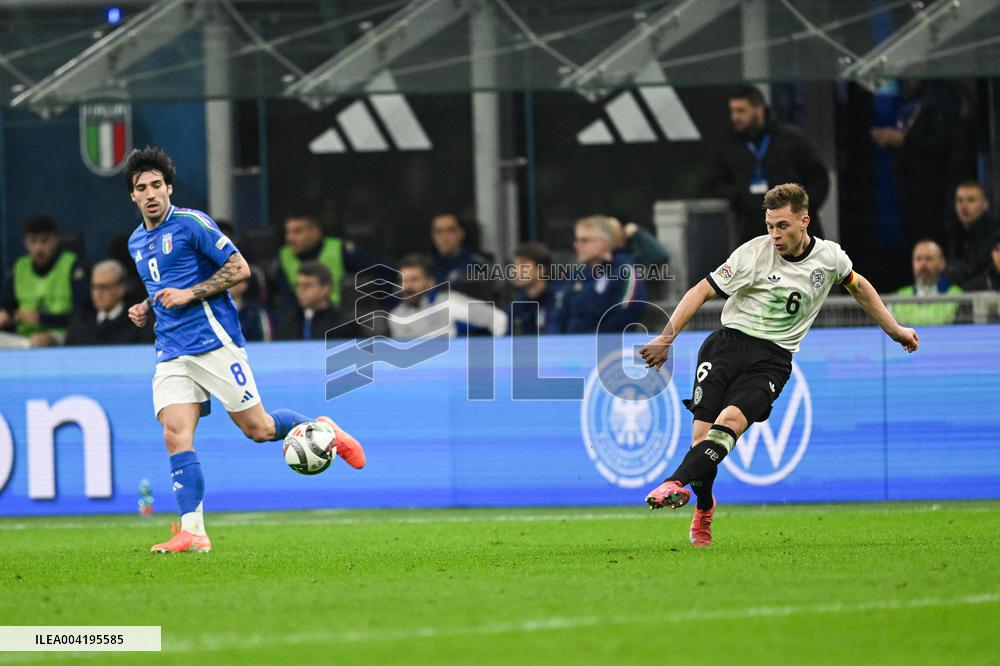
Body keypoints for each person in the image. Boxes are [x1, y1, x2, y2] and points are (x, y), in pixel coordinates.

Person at [639, 183, 919, 547]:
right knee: (700, 439)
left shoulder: (829, 258)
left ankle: (674, 482)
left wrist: (895, 329)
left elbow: (859, 285)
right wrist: (666, 338)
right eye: (770, 225)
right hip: (725, 347)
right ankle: (704, 507)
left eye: (783, 226)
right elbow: (700, 291)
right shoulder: (752, 254)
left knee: (729, 425)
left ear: (804, 221)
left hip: (771, 361)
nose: (775, 234)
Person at [121, 146, 366, 554]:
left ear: (169, 188)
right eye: (141, 187)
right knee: (174, 434)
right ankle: (193, 532)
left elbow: (239, 269)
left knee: (260, 430)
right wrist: (146, 306)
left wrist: (189, 294)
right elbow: (159, 285)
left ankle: (325, 430)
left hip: (214, 342)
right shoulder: (135, 242)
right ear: (132, 195)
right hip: (171, 351)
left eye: (157, 185)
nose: (150, 194)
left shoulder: (191, 223)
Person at [709, 86, 829, 245]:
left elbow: (819, 179)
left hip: (797, 231)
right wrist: (742, 198)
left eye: (740, 111)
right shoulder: (729, 145)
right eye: (733, 111)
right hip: (753, 232)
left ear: (758, 109)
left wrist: (802, 209)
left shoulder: (791, 138)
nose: (734, 117)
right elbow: (717, 183)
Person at [871, 79, 963, 250]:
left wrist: (904, 140)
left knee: (928, 235)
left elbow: (943, 142)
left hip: (930, 190)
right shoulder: (916, 100)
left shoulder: (939, 99)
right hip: (910, 188)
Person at [0, 215, 88, 348]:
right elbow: (9, 307)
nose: (38, 248)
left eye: (44, 241)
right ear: (25, 243)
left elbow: (81, 316)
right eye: (32, 241)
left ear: (55, 240)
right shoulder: (18, 267)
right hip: (22, 338)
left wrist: (41, 318)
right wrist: (5, 315)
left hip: (61, 334)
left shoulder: (73, 266)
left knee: (38, 343)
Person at [548, 216, 646, 334]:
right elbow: (558, 312)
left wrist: (594, 339)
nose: (577, 245)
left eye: (584, 240)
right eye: (577, 240)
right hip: (570, 346)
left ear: (604, 243)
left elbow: (627, 312)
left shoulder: (624, 272)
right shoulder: (578, 274)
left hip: (609, 346)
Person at [270, 210, 381, 312]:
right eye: (288, 232)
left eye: (298, 231)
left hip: (337, 318)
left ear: (316, 232)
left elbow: (382, 271)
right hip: (298, 319)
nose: (290, 238)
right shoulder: (282, 257)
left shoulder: (341, 250)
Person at [388, 254, 507, 340]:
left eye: (414, 280)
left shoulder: (451, 304)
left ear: (430, 282)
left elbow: (499, 319)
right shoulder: (396, 317)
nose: (407, 287)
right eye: (403, 280)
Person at [66, 260, 154, 346]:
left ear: (121, 288)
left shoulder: (138, 320)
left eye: (103, 287)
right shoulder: (81, 322)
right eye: (94, 287)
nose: (98, 293)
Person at [275, 262, 357, 341]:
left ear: (325, 288)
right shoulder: (288, 322)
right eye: (298, 285)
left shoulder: (344, 323)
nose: (300, 291)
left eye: (307, 285)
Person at [892, 240, 962, 326]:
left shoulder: (957, 294)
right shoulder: (899, 297)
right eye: (918, 259)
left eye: (929, 258)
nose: (923, 264)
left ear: (942, 263)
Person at [947, 181, 998, 287]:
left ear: (985, 204)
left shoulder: (996, 234)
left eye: (971, 200)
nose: (964, 205)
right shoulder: (954, 233)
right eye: (960, 200)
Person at [509, 242, 563, 335]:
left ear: (541, 270)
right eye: (515, 266)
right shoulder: (518, 302)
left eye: (523, 266)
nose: (516, 271)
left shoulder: (558, 299)